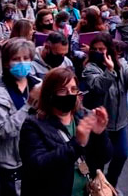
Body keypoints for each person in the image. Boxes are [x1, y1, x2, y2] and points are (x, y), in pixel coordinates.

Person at [19, 67, 113, 196]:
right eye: (62, 90)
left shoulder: (83, 116)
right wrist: (76, 144)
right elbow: (37, 166)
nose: (69, 94)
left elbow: (104, 157)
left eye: (73, 89)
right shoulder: (33, 125)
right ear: (49, 94)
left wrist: (100, 134)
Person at [82, 33, 128, 190]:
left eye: (102, 49)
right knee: (98, 162)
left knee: (122, 154)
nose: (98, 52)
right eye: (95, 49)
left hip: (121, 121)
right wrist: (109, 71)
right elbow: (98, 87)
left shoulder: (121, 63)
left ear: (109, 50)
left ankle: (110, 185)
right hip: (100, 126)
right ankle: (97, 188)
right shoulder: (90, 68)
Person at [0, 38, 41, 196]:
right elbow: (3, 131)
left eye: (26, 58)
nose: (22, 63)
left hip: (37, 157)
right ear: (7, 63)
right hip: (13, 162)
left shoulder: (38, 85)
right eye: (16, 59)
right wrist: (29, 105)